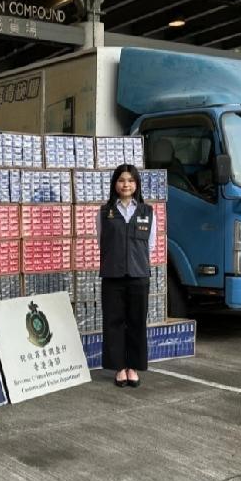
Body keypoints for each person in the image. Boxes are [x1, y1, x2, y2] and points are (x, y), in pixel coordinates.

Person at [96, 164, 156, 388]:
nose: (126, 185)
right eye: (121, 180)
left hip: (139, 275)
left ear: (136, 184)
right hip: (113, 275)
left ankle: (133, 367)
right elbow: (101, 240)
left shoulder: (147, 212)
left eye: (130, 180)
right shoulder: (104, 212)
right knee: (114, 322)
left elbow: (150, 244)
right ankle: (119, 368)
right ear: (115, 184)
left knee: (136, 322)